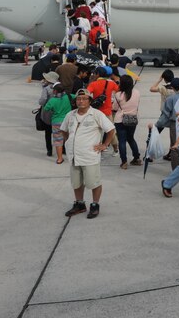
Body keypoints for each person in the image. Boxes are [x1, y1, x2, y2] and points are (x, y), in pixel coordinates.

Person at [60, 89, 116, 219]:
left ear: (89, 101)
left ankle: (95, 204)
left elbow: (111, 130)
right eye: (78, 99)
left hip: (89, 156)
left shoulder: (96, 114)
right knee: (76, 182)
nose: (81, 101)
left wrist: (105, 144)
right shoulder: (70, 115)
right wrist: (69, 142)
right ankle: (79, 204)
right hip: (74, 156)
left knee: (94, 182)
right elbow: (63, 130)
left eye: (84, 99)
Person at [112, 74, 142, 170]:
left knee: (122, 141)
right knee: (131, 138)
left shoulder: (118, 95)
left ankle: (124, 162)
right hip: (132, 119)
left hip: (120, 120)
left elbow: (114, 108)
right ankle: (137, 158)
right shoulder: (137, 92)